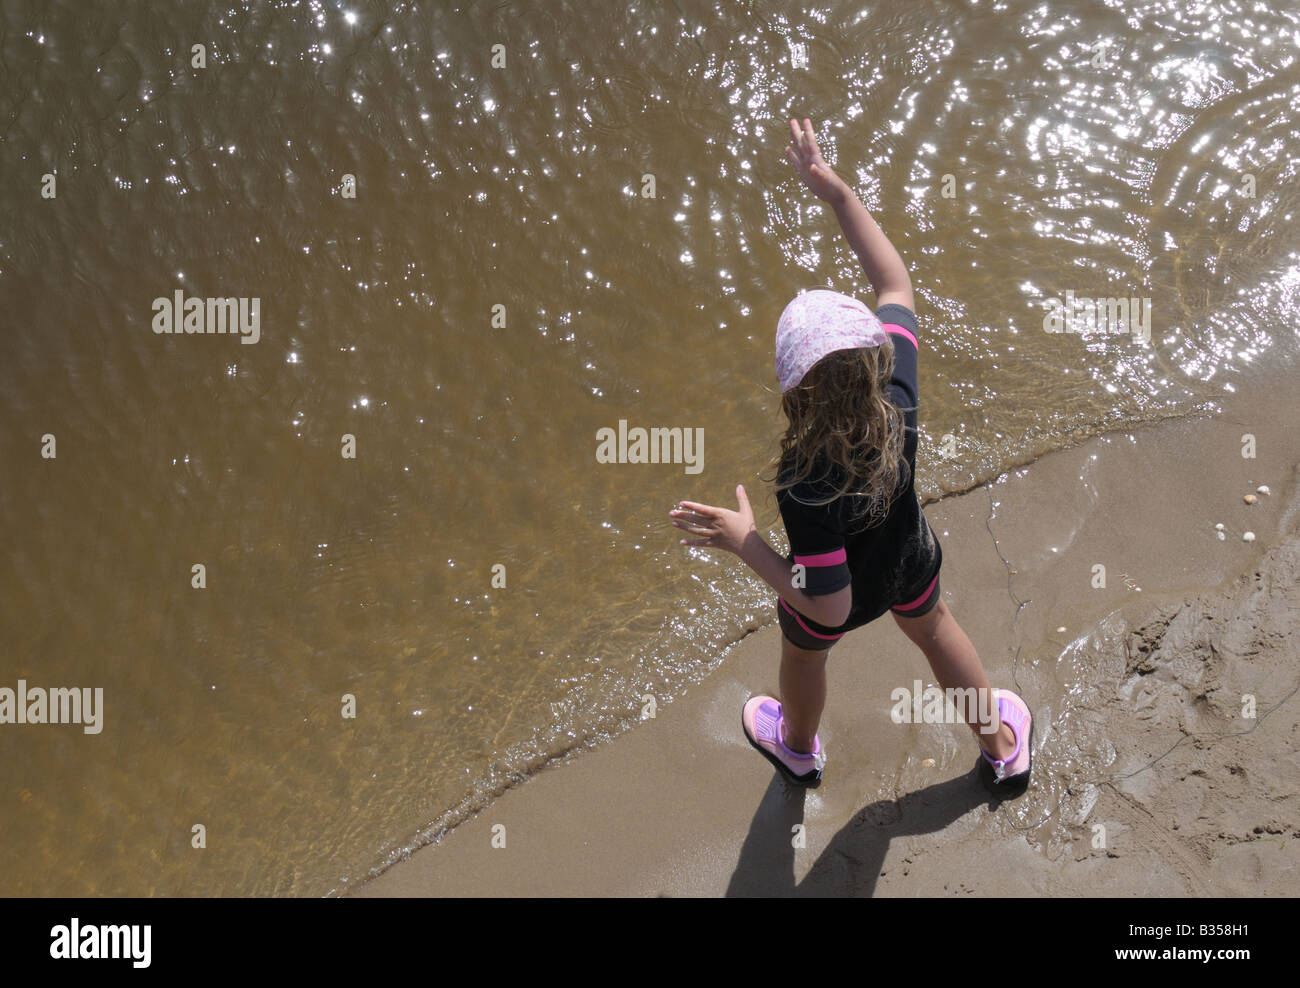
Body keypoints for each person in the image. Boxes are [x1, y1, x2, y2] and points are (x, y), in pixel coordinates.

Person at [670, 118, 1032, 793]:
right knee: (935, 630)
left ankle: (799, 748)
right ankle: (1003, 745)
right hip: (908, 559)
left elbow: (829, 607)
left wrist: (746, 543)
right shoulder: (898, 394)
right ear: (875, 357)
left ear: (790, 393)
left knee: (806, 660)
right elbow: (894, 281)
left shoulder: (803, 483)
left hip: (836, 592)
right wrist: (837, 195)